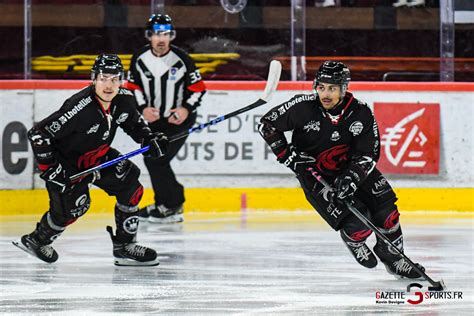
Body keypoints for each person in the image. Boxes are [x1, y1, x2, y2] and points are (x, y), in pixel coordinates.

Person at [258, 61, 425, 279]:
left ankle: (394, 258)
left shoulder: (360, 112)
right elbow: (267, 125)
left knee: (388, 214)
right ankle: (353, 238)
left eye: (332, 88)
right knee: (359, 223)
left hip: (355, 169)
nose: (325, 94)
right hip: (316, 175)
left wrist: (352, 178)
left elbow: (368, 154)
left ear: (344, 89)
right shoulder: (302, 106)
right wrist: (288, 156)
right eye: (321, 87)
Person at [14, 54, 168, 266]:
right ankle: (37, 240)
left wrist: (149, 139)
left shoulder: (124, 98)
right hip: (68, 165)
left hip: (98, 156)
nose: (109, 85)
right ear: (94, 78)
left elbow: (133, 123)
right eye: (104, 78)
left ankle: (124, 247)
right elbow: (38, 134)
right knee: (73, 209)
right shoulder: (78, 108)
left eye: (115, 79)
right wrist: (51, 169)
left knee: (130, 185)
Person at [127, 13, 206, 224]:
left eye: (165, 34)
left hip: (178, 121)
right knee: (154, 159)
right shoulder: (139, 58)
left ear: (171, 36)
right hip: (155, 122)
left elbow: (198, 89)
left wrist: (186, 109)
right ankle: (166, 203)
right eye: (156, 34)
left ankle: (171, 205)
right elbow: (133, 87)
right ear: (149, 36)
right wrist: (142, 108)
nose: (160, 39)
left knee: (156, 158)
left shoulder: (182, 60)